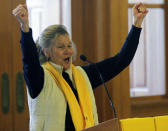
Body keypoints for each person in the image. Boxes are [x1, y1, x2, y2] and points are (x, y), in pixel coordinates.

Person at [12, 2, 148, 131]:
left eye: (69, 46)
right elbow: (29, 61)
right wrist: (25, 27)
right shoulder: (40, 79)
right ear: (46, 52)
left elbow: (120, 61)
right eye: (61, 47)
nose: (68, 51)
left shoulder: (82, 75)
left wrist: (137, 24)